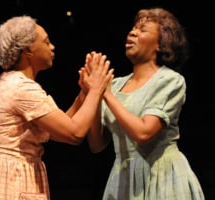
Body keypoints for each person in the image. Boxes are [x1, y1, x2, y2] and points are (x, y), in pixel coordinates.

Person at [0, 15, 113, 200]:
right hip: (9, 178)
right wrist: (97, 90)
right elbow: (75, 133)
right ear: (28, 51)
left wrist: (85, 94)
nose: (52, 47)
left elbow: (60, 127)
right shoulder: (22, 89)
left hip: (4, 173)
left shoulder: (12, 83)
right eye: (46, 42)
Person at [80, 7, 205, 200]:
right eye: (132, 29)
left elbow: (144, 132)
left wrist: (106, 94)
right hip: (123, 179)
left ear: (161, 44)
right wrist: (94, 93)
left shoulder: (169, 80)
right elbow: (96, 144)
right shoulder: (114, 85)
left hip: (162, 176)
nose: (132, 32)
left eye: (142, 30)